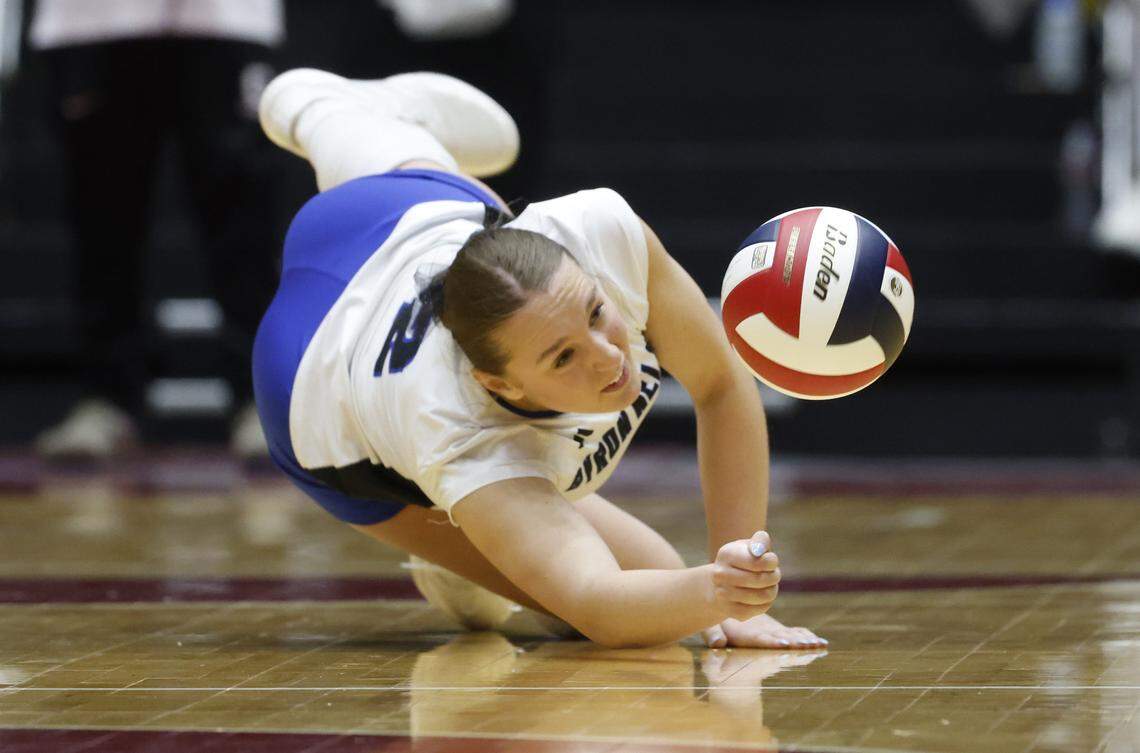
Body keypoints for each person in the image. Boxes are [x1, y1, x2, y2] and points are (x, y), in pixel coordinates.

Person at [253, 68, 827, 649]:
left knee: (339, 125)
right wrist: (719, 595)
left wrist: (741, 573)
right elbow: (600, 605)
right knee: (643, 591)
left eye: (597, 312)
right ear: (500, 384)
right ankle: (463, 544)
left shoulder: (597, 233)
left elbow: (721, 383)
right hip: (305, 378)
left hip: (395, 213)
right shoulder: (460, 435)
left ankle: (339, 109)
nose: (609, 358)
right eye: (563, 358)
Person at [30, 0, 283, 459]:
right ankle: (107, 400)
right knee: (101, 222)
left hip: (224, 20)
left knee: (243, 221)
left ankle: (259, 401)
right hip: (92, 21)